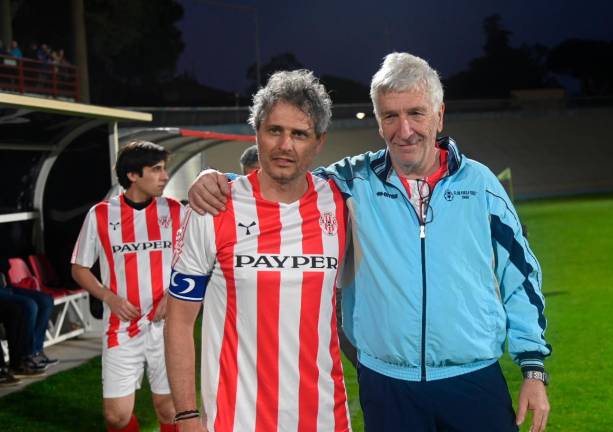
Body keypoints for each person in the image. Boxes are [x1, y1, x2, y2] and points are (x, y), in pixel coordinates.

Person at [189, 52, 551, 432]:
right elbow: (285, 180)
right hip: (387, 385)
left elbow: (520, 275)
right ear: (378, 122)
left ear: (439, 115)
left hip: (473, 379)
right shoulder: (352, 180)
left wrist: (533, 368)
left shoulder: (480, 185)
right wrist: (221, 181)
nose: (404, 130)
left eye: (416, 113)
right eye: (390, 116)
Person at [165, 70, 351, 432]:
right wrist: (186, 415)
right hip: (236, 419)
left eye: (300, 134)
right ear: (257, 133)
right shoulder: (213, 206)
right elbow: (179, 320)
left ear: (319, 142)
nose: (285, 145)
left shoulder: (342, 204)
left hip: (323, 418)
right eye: (274, 130)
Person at [71, 140, 182, 432]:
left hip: (166, 327)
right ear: (133, 175)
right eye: (156, 169)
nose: (165, 176)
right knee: (116, 417)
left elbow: (194, 263)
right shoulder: (100, 214)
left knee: (169, 410)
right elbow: (79, 268)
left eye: (164, 169)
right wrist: (109, 297)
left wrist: (173, 295)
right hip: (120, 329)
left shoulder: (175, 211)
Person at [0, 259, 58, 371]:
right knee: (29, 305)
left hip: (5, 286)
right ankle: (25, 357)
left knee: (45, 300)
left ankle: (36, 351)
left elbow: (5, 265)